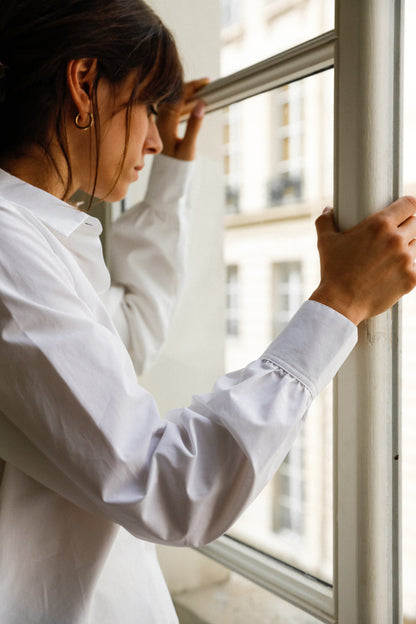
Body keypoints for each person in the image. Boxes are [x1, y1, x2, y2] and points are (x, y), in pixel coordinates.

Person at [0, 1, 415, 623]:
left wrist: (171, 170)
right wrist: (338, 305)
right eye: (145, 107)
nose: (155, 135)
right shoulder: (8, 248)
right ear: (84, 84)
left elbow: (128, 333)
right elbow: (169, 486)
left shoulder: (35, 235)